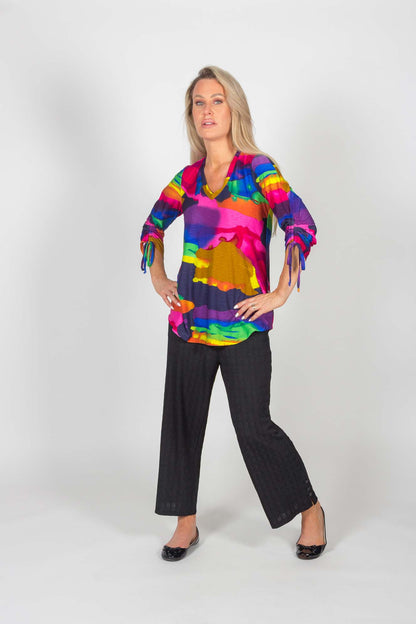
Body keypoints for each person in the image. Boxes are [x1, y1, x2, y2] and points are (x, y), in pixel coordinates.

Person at [139, 65, 327, 561]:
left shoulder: (257, 170)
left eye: (216, 100)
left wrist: (280, 292)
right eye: (198, 102)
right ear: (191, 114)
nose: (207, 110)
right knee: (182, 423)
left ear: (233, 108)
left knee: (253, 426)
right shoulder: (188, 179)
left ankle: (309, 509)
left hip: (243, 324)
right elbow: (152, 227)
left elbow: (300, 225)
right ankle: (185, 523)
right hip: (190, 324)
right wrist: (159, 277)